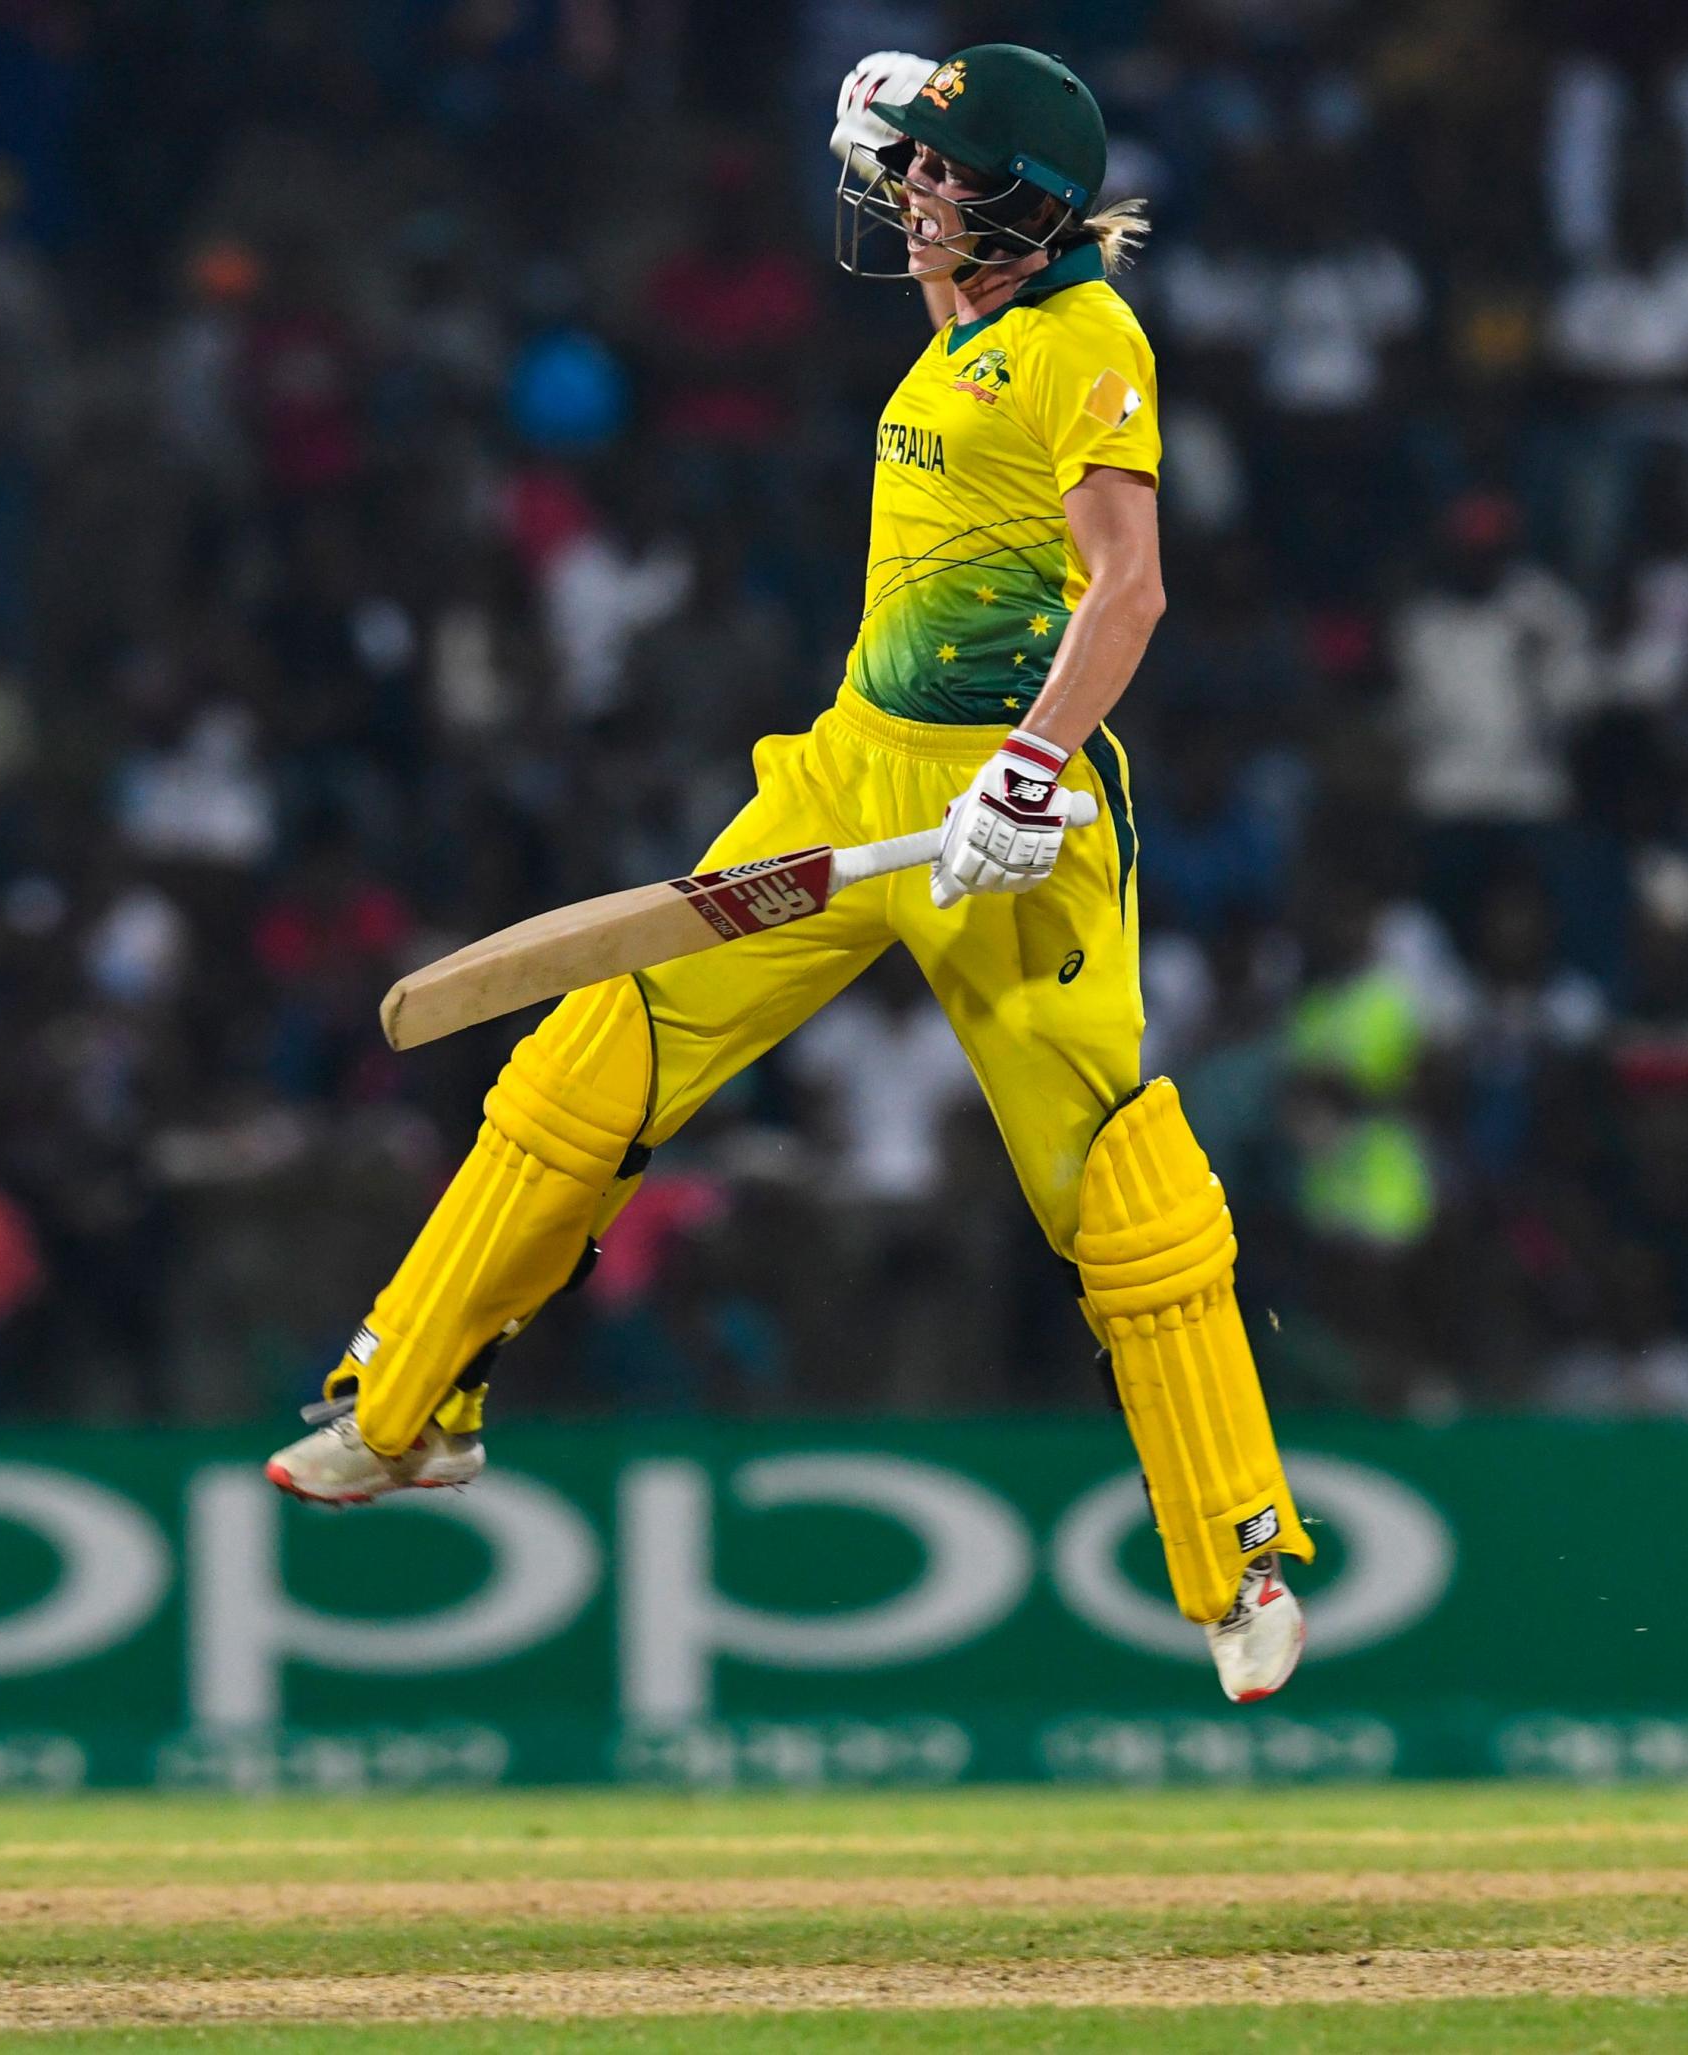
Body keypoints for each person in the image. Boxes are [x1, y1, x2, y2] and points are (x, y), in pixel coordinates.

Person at [265, 46, 1311, 1703]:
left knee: (1110, 1185)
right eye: (906, 171)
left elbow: (1130, 595)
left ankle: (1239, 1554)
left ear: (1027, 211)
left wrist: (1027, 772)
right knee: (597, 1059)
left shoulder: (1093, 340)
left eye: (936, 177)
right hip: (848, 771)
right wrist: (910, 123)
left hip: (1012, 817)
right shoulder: (970, 322)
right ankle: (403, 1410)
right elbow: (958, 252)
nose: (905, 197)